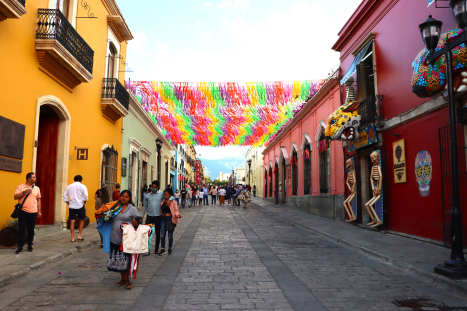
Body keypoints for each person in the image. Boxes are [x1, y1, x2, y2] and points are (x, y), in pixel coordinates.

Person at [109, 190, 139, 290]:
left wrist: (135, 222)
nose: (123, 198)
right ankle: (122, 279)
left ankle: (128, 281)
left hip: (127, 238)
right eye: (122, 196)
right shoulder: (115, 207)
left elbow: (137, 223)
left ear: (129, 198)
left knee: (127, 259)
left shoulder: (132, 209)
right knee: (119, 259)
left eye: (126, 197)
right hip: (115, 236)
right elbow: (109, 218)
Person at [14, 172, 41, 254]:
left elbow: (39, 200)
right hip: (23, 211)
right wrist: (23, 192)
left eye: (35, 177)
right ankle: (20, 246)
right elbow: (15, 197)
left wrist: (39, 211)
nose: (35, 179)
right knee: (22, 229)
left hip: (33, 212)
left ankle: (30, 245)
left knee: (31, 229)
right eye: (33, 177)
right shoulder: (21, 187)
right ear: (29, 178)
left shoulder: (37, 188)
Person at [63, 175, 89, 243]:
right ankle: (79, 235)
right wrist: (84, 202)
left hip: (72, 206)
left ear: (74, 179)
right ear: (81, 180)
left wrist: (68, 203)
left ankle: (72, 238)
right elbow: (86, 196)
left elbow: (64, 196)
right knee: (82, 220)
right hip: (80, 205)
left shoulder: (69, 186)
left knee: (72, 221)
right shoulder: (83, 186)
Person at [142, 180, 163, 255]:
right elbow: (144, 207)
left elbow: (169, 197)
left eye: (155, 187)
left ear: (158, 187)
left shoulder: (161, 194)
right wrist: (142, 217)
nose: (153, 189)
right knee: (146, 234)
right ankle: (147, 250)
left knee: (158, 234)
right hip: (149, 217)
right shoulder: (147, 195)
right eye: (152, 187)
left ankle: (156, 250)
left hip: (158, 217)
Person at [159, 189, 182, 255]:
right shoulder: (163, 201)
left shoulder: (173, 202)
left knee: (170, 235)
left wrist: (177, 215)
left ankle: (170, 248)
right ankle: (162, 248)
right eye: (164, 194)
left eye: (166, 194)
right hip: (163, 219)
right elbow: (161, 210)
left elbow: (176, 210)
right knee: (162, 235)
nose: (165, 195)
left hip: (170, 219)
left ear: (169, 195)